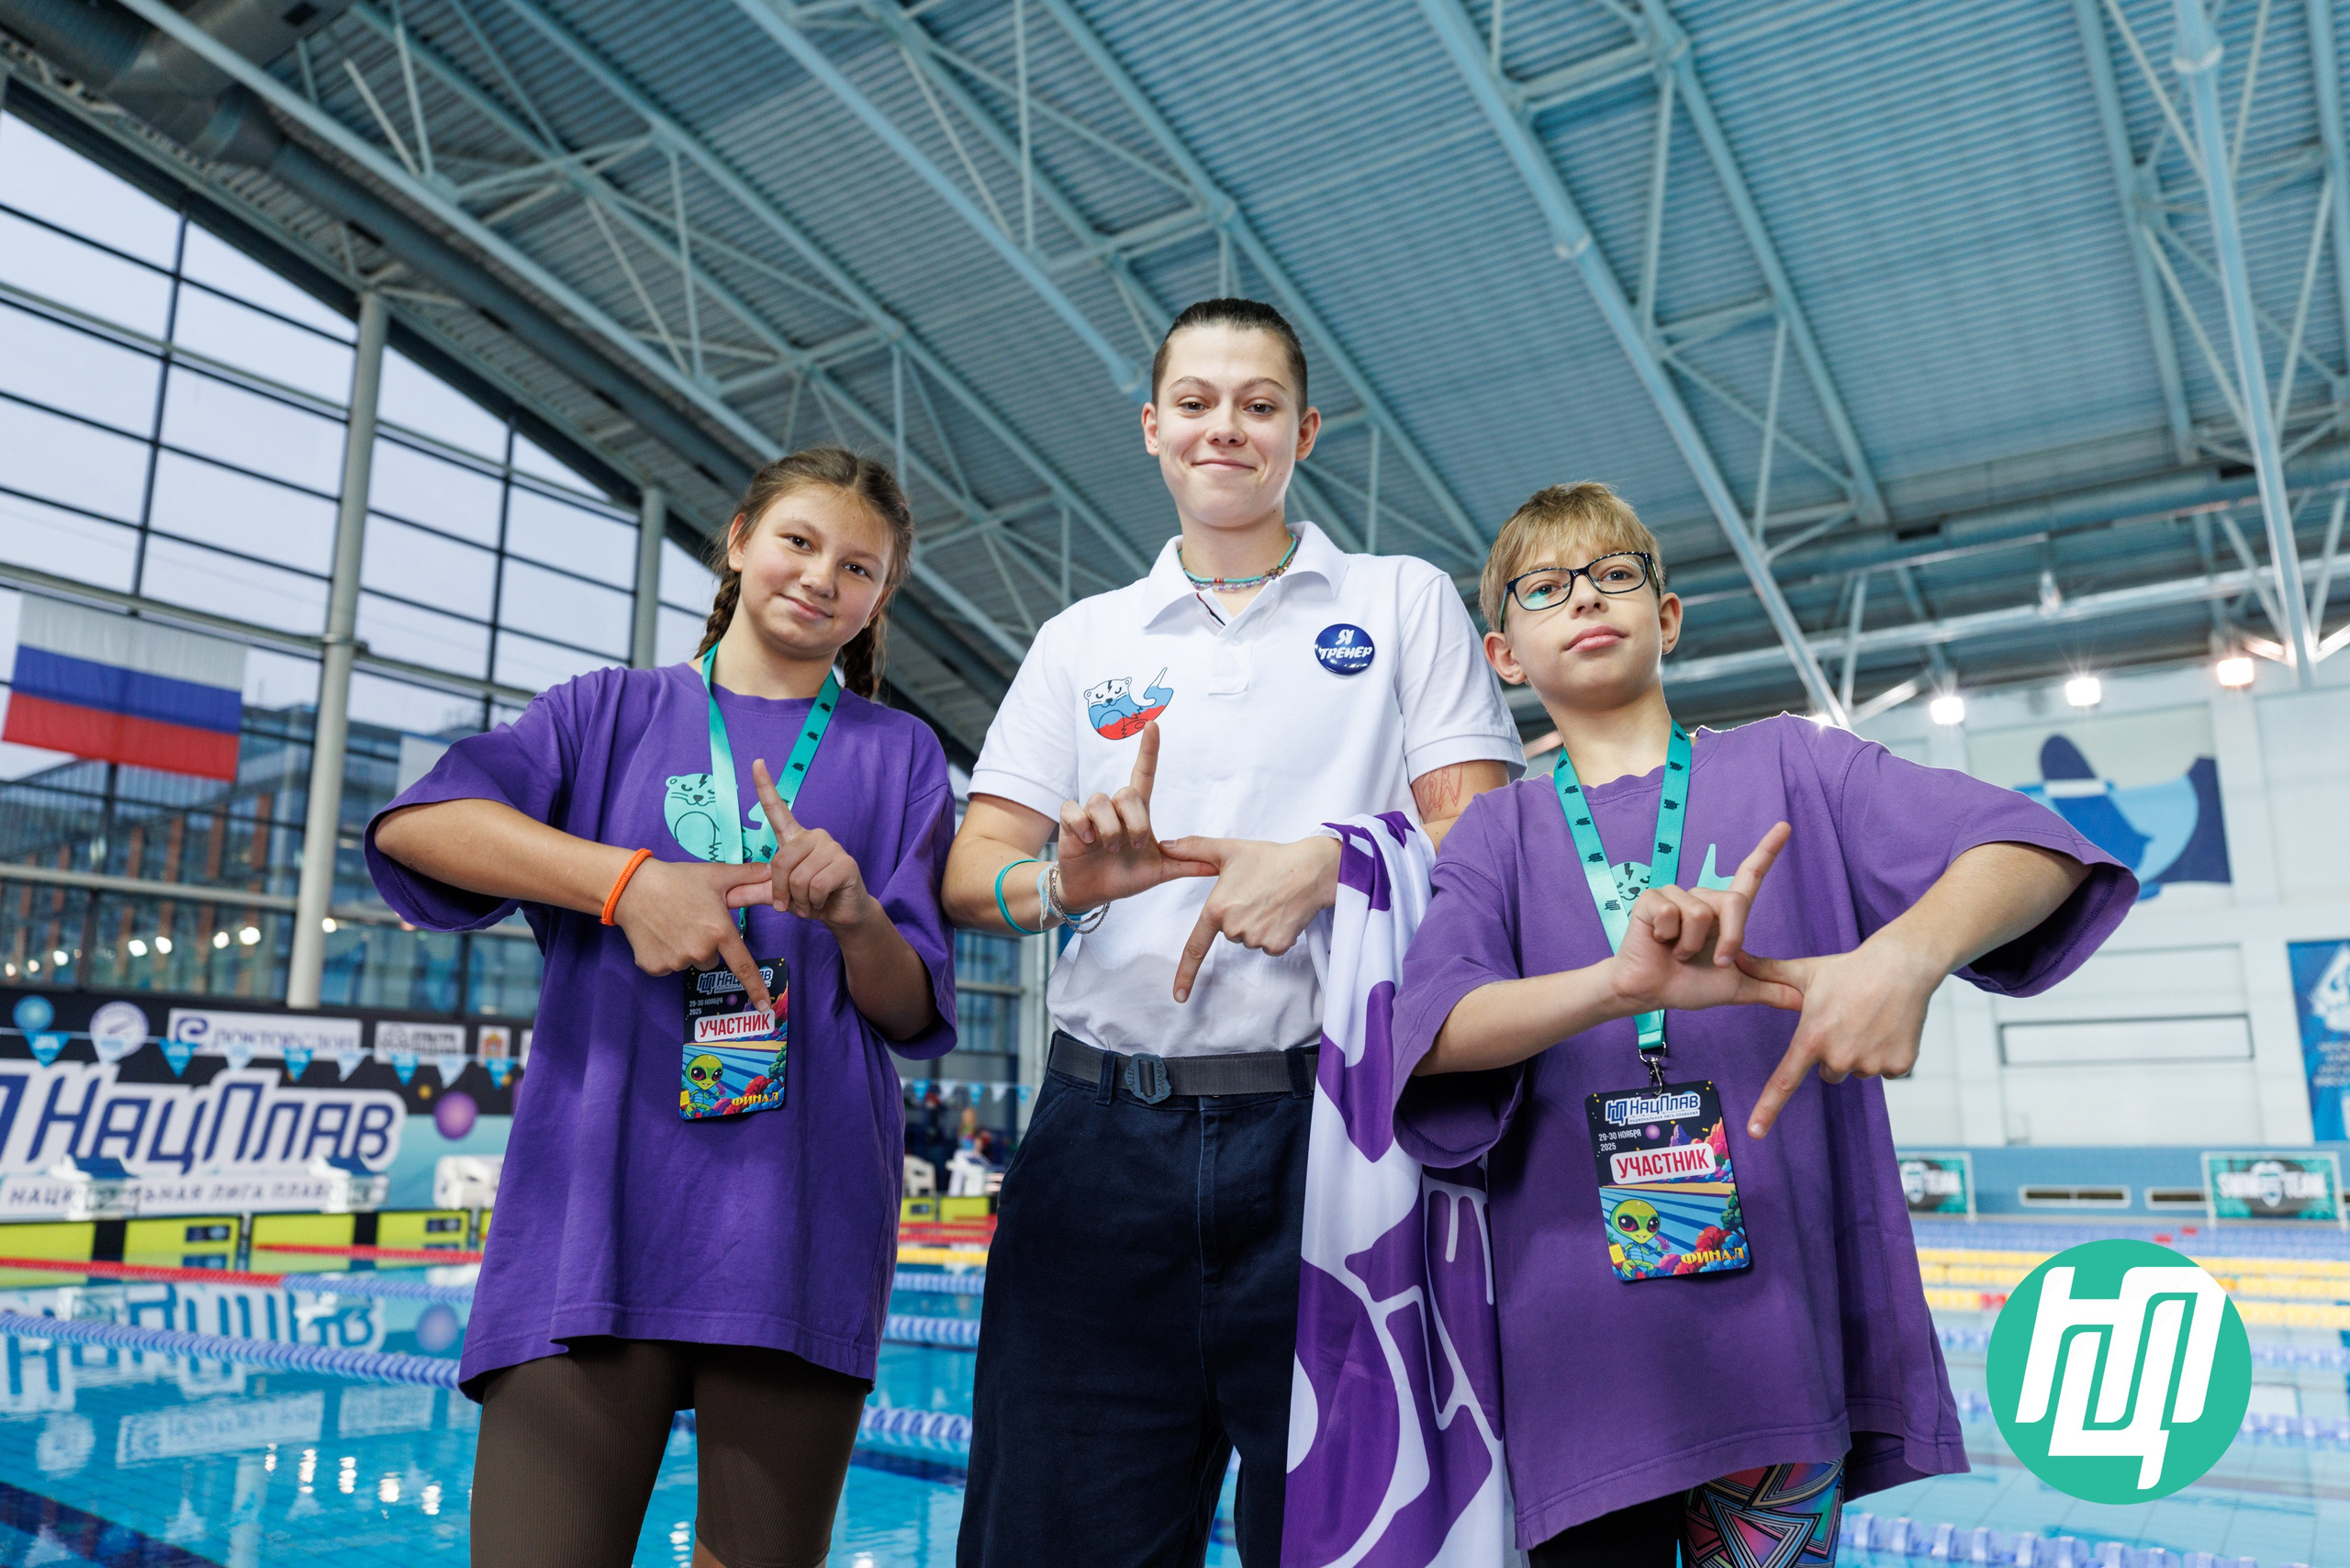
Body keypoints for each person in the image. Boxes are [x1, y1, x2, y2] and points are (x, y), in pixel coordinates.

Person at [1392, 482, 2138, 1565]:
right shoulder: (1495, 833)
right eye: (1544, 587)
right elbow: (1435, 1030)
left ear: (1666, 616)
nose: (1585, 597)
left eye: (1613, 574)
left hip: (1780, 1348)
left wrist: (1905, 955)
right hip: (1584, 1363)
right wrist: (1618, 985)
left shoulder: (1796, 765)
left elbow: (2032, 850)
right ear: (1504, 654)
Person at [944, 298, 1524, 1566]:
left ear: (1302, 432)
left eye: (1258, 405)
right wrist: (1063, 885)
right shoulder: (1082, 640)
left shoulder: (1400, 600)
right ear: (1151, 428)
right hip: (1101, 1139)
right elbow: (971, 877)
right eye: (1195, 403)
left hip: (1333, 1136)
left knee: (1344, 1539)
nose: (1225, 428)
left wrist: (1330, 865)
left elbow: (1484, 843)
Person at [367, 446, 957, 1568]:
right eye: (798, 541)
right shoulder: (605, 713)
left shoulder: (901, 757)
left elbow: (910, 1006)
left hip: (798, 1219)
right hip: (590, 1214)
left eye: (858, 567)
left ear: (881, 598)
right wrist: (626, 883)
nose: (821, 577)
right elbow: (418, 825)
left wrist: (853, 916)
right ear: (737, 540)